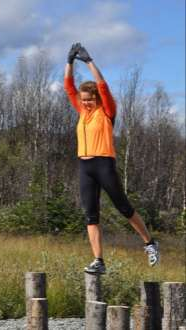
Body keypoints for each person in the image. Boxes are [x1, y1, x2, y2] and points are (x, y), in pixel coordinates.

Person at [64, 43, 159, 274]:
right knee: (90, 215)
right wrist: (69, 62)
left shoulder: (106, 111)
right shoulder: (82, 111)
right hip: (85, 166)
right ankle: (99, 261)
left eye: (90, 99)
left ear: (97, 99)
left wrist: (88, 61)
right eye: (84, 99)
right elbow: (68, 87)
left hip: (104, 163)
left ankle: (149, 242)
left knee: (123, 207)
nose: (86, 103)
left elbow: (103, 86)